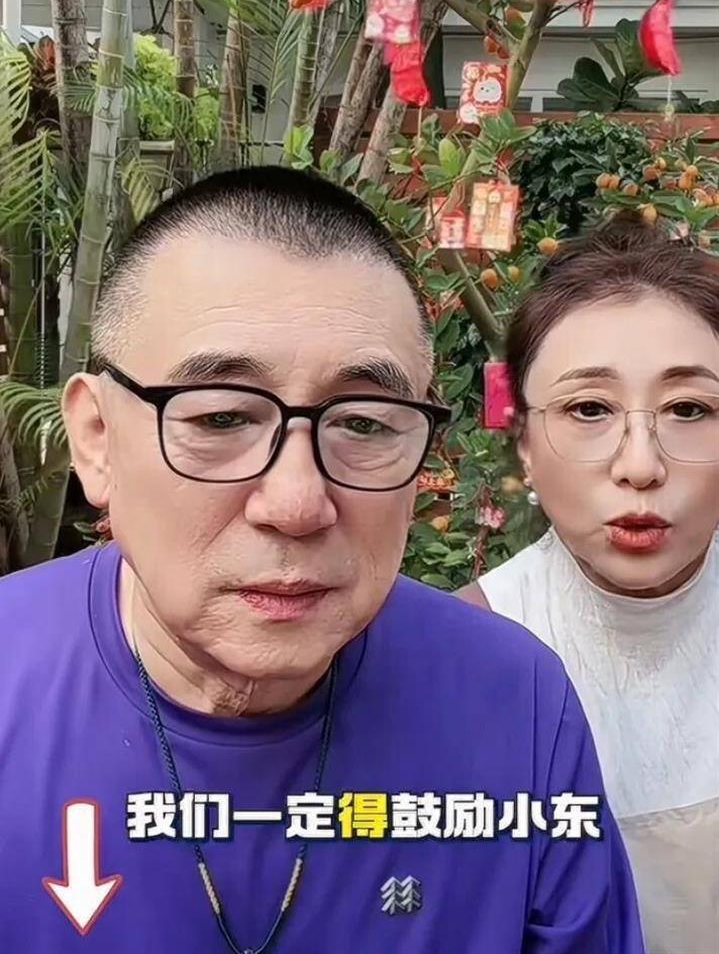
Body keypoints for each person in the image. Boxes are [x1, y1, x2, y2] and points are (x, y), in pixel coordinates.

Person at [0, 169, 645, 953]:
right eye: (222, 417)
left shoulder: (516, 703)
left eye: (365, 424)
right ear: (97, 439)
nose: (297, 502)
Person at [457, 216, 719, 953]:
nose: (640, 466)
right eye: (588, 409)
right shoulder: (460, 659)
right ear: (523, 442)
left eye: (689, 409)